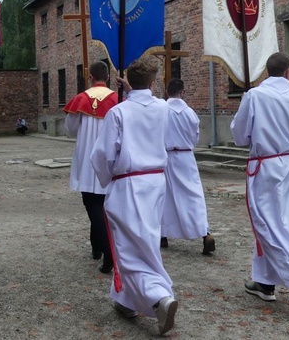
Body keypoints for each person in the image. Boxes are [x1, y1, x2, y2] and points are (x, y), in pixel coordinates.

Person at [230, 52, 289, 317]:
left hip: (264, 164)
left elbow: (239, 136)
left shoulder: (255, 96)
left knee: (267, 224)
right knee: (282, 222)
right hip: (288, 163)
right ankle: (264, 280)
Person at [90, 56, 178, 335]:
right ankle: (126, 299)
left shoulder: (119, 112)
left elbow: (103, 154)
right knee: (146, 239)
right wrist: (134, 89)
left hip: (128, 182)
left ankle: (157, 297)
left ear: (130, 82)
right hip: (155, 181)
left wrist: (109, 179)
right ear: (153, 83)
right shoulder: (163, 108)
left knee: (127, 248)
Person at [63, 61, 118, 274]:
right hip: (108, 159)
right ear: (108, 77)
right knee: (103, 206)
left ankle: (105, 251)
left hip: (87, 160)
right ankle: (97, 246)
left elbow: (70, 130)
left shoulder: (81, 99)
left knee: (93, 206)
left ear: (90, 77)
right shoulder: (117, 99)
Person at [159, 78, 215, 255]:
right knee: (193, 195)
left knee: (164, 196)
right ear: (182, 92)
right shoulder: (190, 113)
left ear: (167, 92)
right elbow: (195, 138)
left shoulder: (161, 110)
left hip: (166, 156)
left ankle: (162, 234)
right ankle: (204, 233)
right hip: (186, 157)